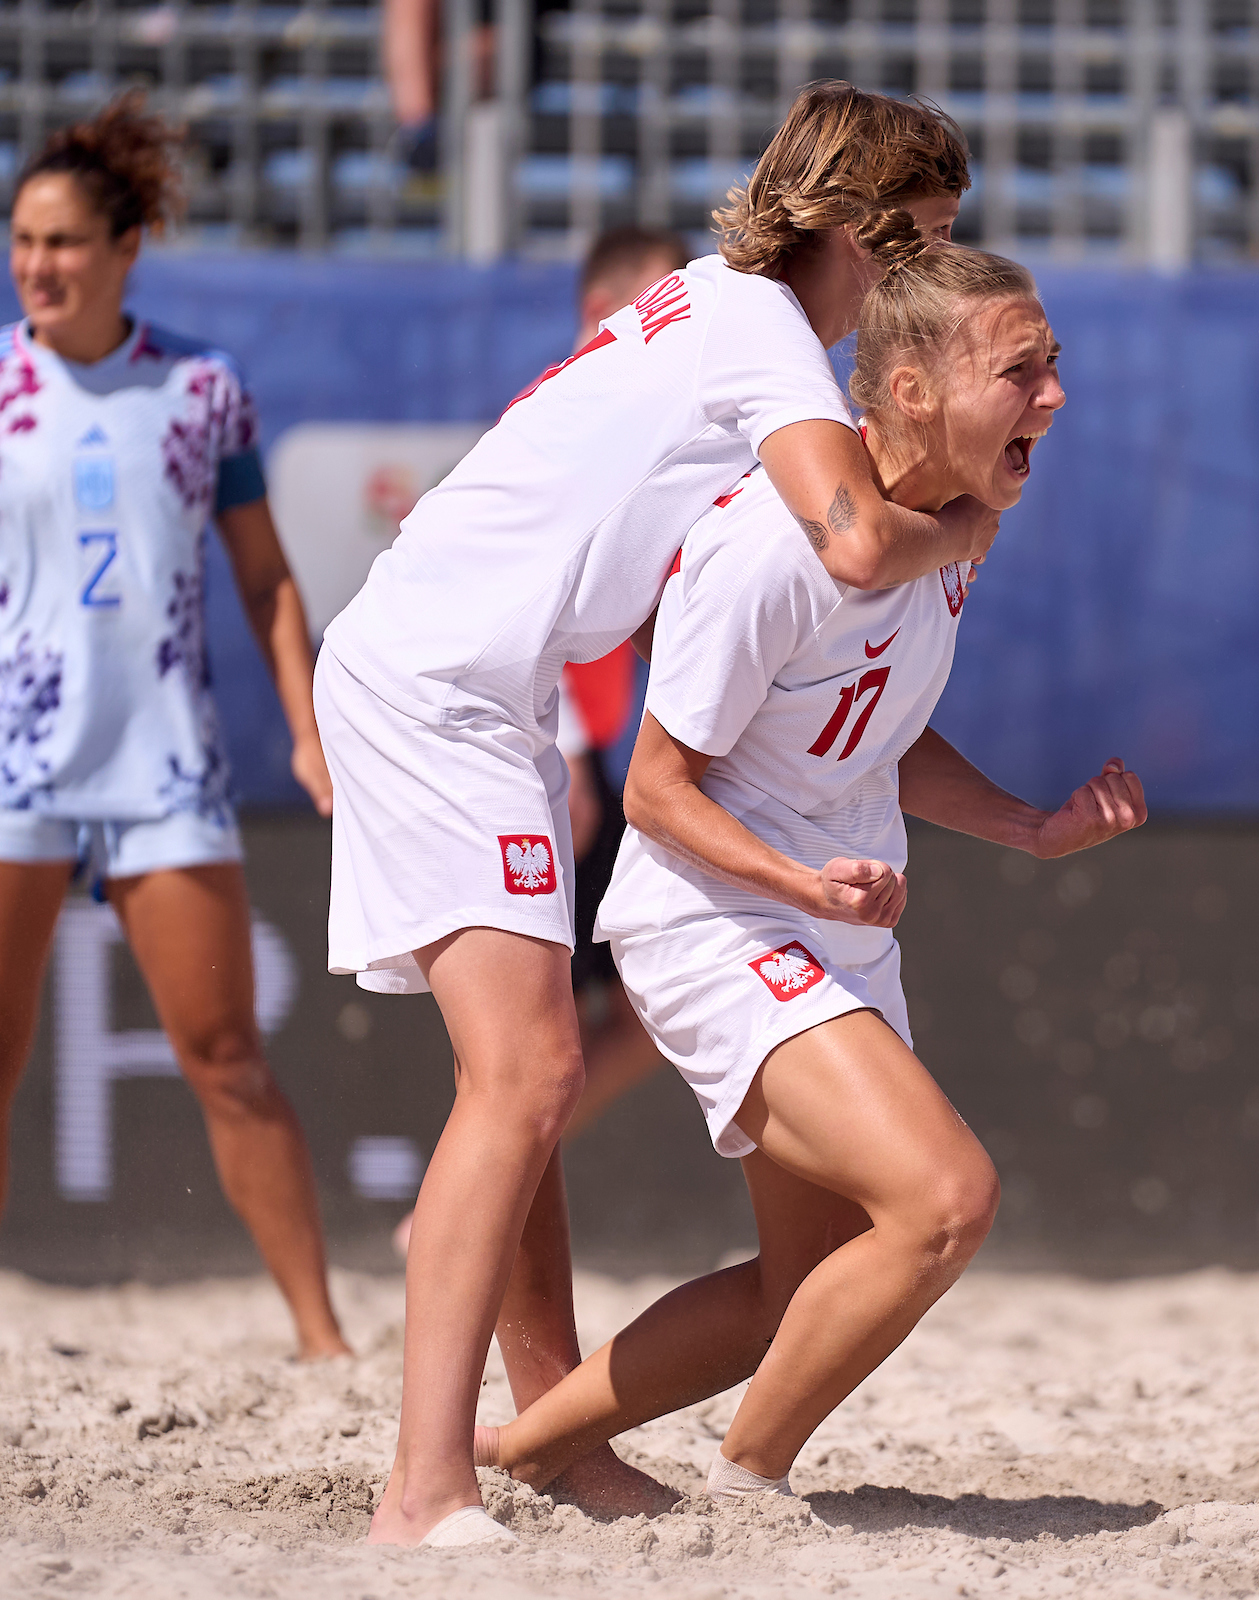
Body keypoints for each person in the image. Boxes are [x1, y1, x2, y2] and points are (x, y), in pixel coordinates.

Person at [316, 82, 998, 1546]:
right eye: (929, 237)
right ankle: (423, 1487)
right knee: (526, 1080)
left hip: (458, 669)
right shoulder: (771, 346)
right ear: (856, 229)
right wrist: (973, 520)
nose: (941, 271)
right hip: (445, 681)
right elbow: (861, 536)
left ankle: (544, 1439)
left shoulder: (719, 307)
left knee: (522, 1086)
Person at [472, 244, 1146, 1503]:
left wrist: (1031, 828)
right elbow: (655, 790)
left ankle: (518, 1448)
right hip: (716, 911)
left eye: (1054, 364)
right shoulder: (774, 547)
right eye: (1021, 370)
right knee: (945, 1199)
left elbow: (878, 734)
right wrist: (799, 883)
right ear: (907, 394)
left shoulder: (956, 528)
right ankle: (749, 1488)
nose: (1055, 395)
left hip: (819, 913)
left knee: (805, 1278)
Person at [0, 92, 350, 1366]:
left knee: (228, 1058)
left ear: (126, 246)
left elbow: (266, 580)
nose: (39, 265)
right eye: (23, 241)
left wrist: (306, 726)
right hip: (0, 763)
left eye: (66, 242)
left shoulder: (204, 391)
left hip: (163, 766)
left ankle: (323, 1341)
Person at [388, 224, 692, 1256]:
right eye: (656, 304)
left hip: (580, 755)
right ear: (603, 309)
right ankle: (462, 1212)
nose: (675, 327)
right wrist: (560, 756)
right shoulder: (573, 416)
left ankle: (474, 1201)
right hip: (529, 750)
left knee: (607, 1030)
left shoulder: (642, 418)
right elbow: (515, 605)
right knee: (521, 1048)